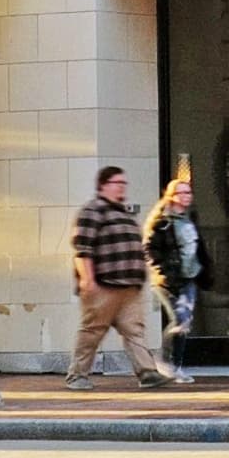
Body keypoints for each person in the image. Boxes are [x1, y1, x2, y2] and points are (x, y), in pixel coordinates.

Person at [66, 165, 180, 389]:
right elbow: (83, 249)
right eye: (117, 183)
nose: (122, 187)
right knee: (92, 331)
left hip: (129, 288)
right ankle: (77, 375)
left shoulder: (123, 213)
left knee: (135, 331)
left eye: (123, 183)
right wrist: (87, 281)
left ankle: (147, 373)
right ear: (104, 185)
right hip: (103, 286)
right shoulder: (93, 211)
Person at [142, 170, 213, 376]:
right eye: (181, 193)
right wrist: (162, 272)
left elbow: (197, 248)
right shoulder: (162, 222)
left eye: (188, 192)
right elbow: (149, 250)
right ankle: (165, 360)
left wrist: (205, 270)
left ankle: (176, 365)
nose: (186, 196)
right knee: (180, 319)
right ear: (171, 196)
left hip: (188, 278)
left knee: (184, 322)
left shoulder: (189, 219)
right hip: (167, 280)